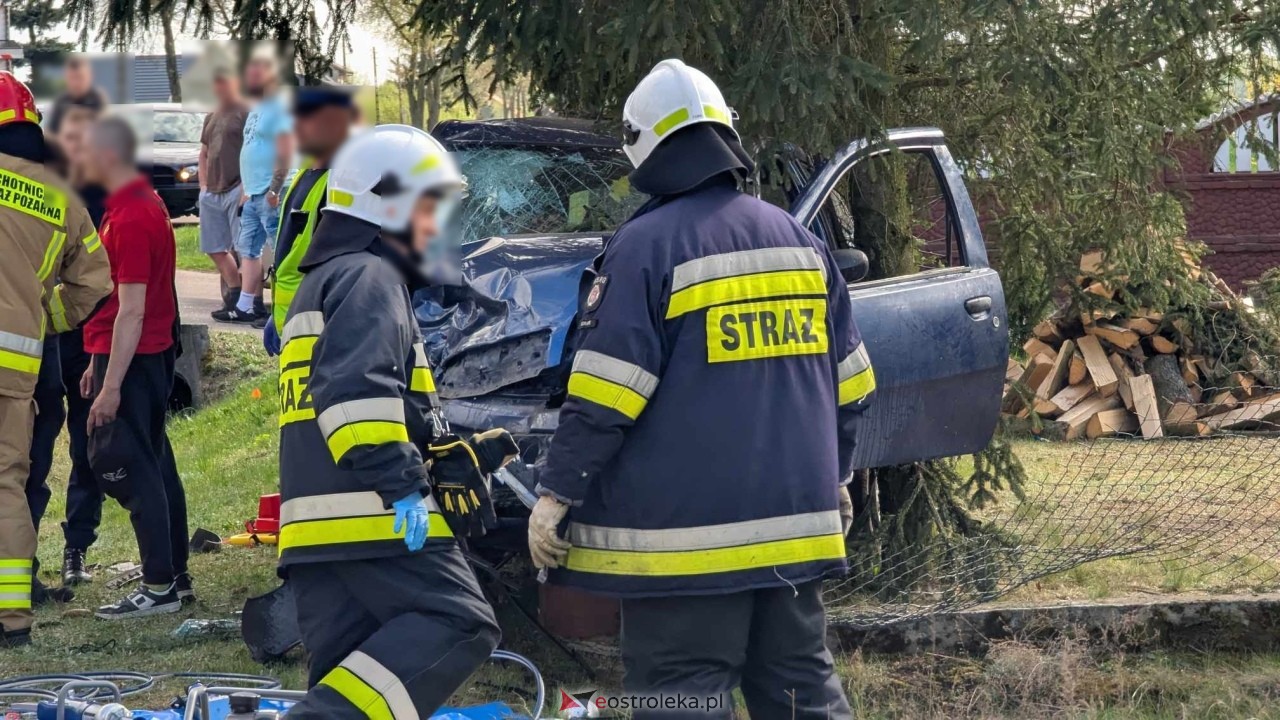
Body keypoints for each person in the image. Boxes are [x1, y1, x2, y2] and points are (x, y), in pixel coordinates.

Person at [526, 60, 875, 718]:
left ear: (646, 147)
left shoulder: (646, 249)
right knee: (800, 691)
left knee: (682, 692)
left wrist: (556, 492)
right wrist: (838, 476)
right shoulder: (799, 241)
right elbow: (852, 388)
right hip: (796, 538)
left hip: (685, 549)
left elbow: (606, 394)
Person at [277, 125, 502, 718]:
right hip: (372, 516)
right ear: (391, 204)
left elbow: (340, 395)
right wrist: (404, 484)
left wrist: (442, 450)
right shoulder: (371, 278)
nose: (439, 227)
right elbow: (357, 396)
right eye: (433, 208)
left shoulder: (323, 282)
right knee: (459, 622)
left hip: (315, 531)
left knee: (347, 670)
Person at [0, 72, 112, 648]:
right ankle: (11, 619)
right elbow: (95, 283)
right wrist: (47, 319)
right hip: (16, 364)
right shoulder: (60, 196)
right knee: (7, 485)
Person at [79, 117, 192, 620]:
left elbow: (133, 309)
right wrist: (94, 361)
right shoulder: (139, 202)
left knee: (129, 465)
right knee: (156, 460)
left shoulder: (129, 216)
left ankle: (159, 585)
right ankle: (175, 575)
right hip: (131, 351)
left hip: (137, 355)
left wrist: (112, 385)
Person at [24, 99, 110, 599]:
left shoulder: (103, 193)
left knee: (87, 448)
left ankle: (76, 547)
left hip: (85, 334)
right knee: (30, 455)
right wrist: (47, 319)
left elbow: (104, 276)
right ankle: (22, 561)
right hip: (45, 340)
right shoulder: (40, 187)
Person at [258, 84, 356, 349]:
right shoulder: (305, 172)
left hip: (314, 324)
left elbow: (333, 265)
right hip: (288, 318)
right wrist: (275, 318)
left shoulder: (339, 185)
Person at [213, 49, 292, 324]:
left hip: (271, 193)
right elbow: (251, 148)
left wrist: (275, 189)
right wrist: (248, 189)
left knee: (279, 250)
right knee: (248, 249)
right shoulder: (257, 107)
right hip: (253, 193)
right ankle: (247, 306)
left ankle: (282, 311)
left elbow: (285, 150)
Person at [199, 66, 250, 309]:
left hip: (236, 188)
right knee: (213, 247)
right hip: (212, 191)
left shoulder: (245, 111)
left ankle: (246, 301)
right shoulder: (211, 115)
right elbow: (204, 153)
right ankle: (234, 289)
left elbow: (253, 151)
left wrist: (245, 187)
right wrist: (203, 186)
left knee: (244, 248)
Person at [45, 55, 109, 135]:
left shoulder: (97, 99)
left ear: (90, 76)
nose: (75, 83)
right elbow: (50, 132)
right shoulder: (61, 101)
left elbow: (101, 133)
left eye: (80, 77)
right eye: (72, 78)